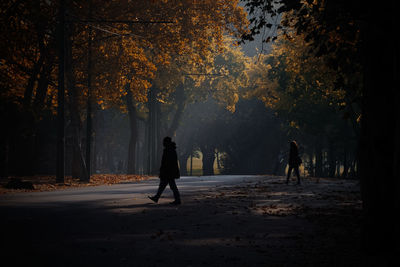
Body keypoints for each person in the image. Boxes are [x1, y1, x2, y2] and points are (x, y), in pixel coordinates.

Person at [148, 136, 181, 205]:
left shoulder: (169, 150)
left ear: (167, 142)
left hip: (168, 172)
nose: (163, 143)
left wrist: (163, 170)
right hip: (169, 171)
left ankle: (177, 200)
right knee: (164, 186)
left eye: (164, 142)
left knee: (170, 186)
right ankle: (157, 197)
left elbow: (167, 162)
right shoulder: (171, 149)